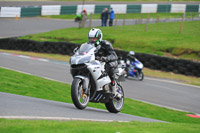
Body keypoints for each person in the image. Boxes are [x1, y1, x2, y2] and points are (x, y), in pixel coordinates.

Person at [88, 28, 119, 96]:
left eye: (94, 38)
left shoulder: (105, 44)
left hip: (108, 62)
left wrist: (105, 58)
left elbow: (114, 55)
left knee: (109, 66)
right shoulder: (88, 45)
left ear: (99, 37)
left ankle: (114, 89)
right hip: (96, 63)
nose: (92, 40)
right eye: (91, 38)